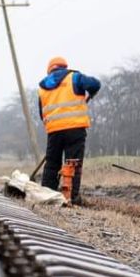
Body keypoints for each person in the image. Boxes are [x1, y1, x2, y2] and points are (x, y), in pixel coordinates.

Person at [38, 56, 100, 204]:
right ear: (64, 67)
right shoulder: (74, 77)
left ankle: (47, 195)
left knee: (52, 164)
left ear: (49, 70)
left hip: (54, 131)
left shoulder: (43, 87)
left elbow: (42, 113)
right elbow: (95, 84)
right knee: (73, 163)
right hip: (75, 129)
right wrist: (91, 92)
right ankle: (71, 197)